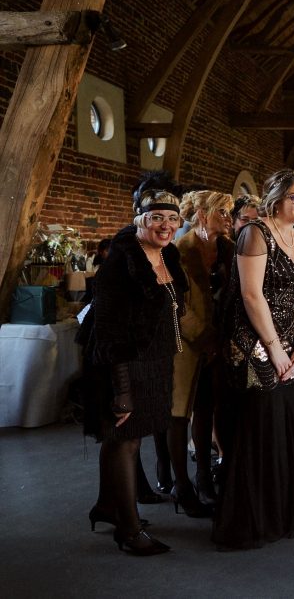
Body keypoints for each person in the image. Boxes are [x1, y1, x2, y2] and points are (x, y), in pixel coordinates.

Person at [212, 169, 294, 549]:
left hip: (290, 345)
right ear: (275, 198)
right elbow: (251, 295)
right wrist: (273, 348)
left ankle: (283, 510)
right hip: (252, 341)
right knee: (259, 424)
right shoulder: (255, 233)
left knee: (285, 421)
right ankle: (251, 518)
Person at [83, 188, 187, 555]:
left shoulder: (166, 254)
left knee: (124, 438)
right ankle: (128, 531)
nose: (166, 225)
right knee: (124, 440)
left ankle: (107, 506)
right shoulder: (120, 263)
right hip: (124, 366)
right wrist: (122, 390)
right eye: (156, 217)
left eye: (173, 218)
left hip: (153, 362)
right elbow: (110, 334)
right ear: (139, 218)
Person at [160, 190, 233, 516]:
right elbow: (175, 305)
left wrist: (222, 340)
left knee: (207, 408)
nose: (229, 219)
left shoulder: (228, 249)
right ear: (202, 214)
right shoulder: (178, 251)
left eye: (230, 213)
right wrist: (204, 338)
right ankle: (182, 486)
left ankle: (204, 476)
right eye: (223, 213)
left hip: (219, 344)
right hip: (184, 345)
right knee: (179, 413)